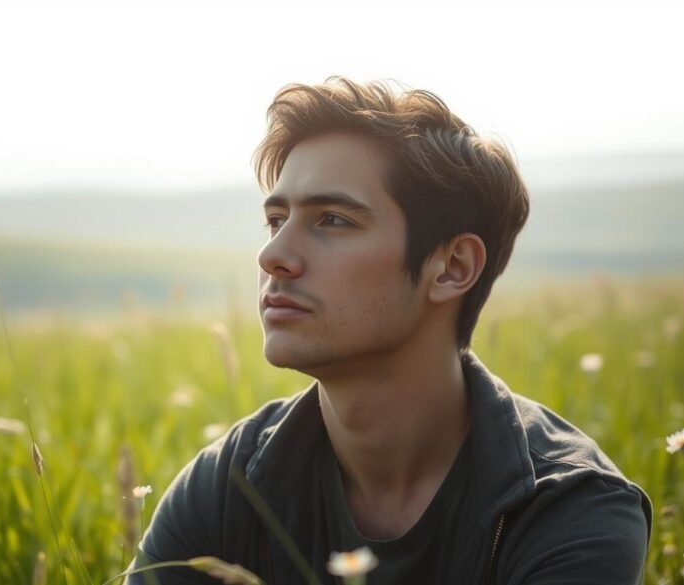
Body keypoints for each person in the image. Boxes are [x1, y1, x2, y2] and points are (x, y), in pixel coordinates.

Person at [127, 77, 651, 584]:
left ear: (452, 267)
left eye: (332, 220)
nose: (272, 256)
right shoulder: (229, 486)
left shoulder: (568, 510)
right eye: (275, 220)